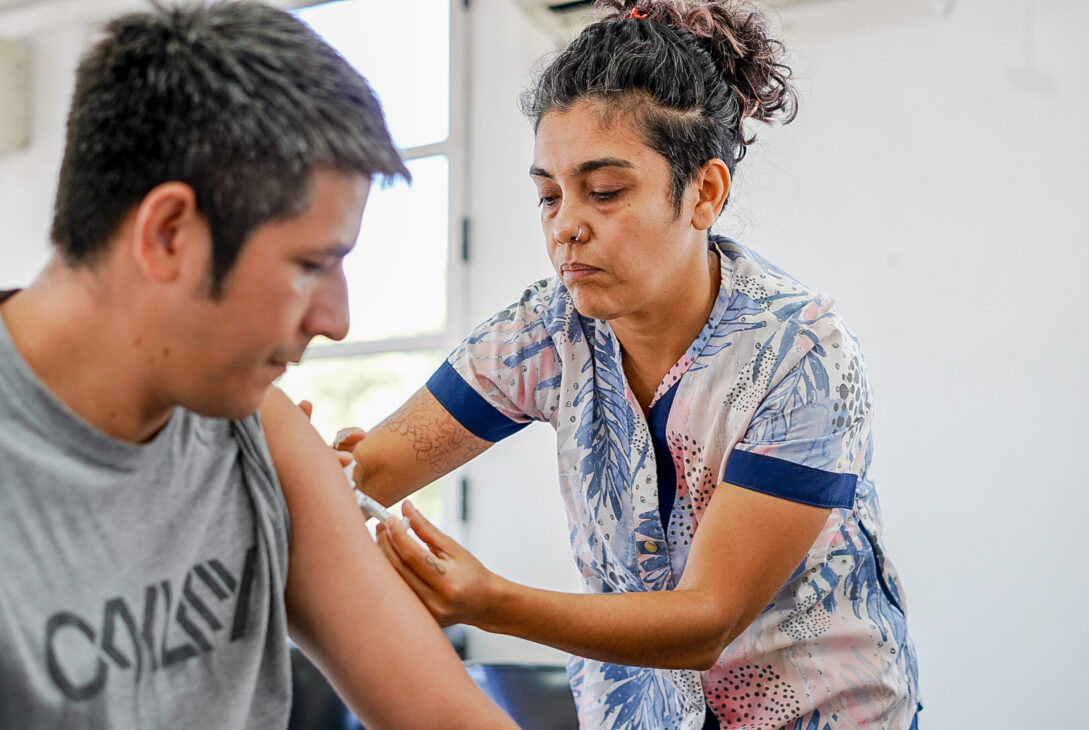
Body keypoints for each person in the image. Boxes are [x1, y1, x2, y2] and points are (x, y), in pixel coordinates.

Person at [338, 1, 921, 728]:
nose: (565, 225)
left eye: (604, 191)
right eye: (547, 195)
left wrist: (489, 603)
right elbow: (369, 472)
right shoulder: (545, 331)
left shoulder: (799, 352)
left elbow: (706, 620)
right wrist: (306, 462)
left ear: (704, 192)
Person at [0, 2, 518, 728]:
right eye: (311, 266)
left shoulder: (254, 427)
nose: (336, 322)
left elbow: (446, 717)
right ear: (169, 233)